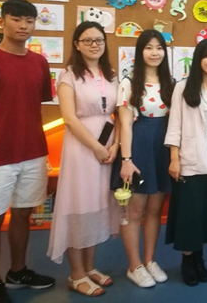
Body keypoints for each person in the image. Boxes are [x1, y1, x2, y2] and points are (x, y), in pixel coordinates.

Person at [0, 0, 55, 302]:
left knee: (24, 214)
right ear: (1, 22)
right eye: (16, 19)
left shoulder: (39, 63)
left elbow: (34, 103)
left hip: (33, 151)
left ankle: (18, 271)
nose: (23, 26)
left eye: (29, 21)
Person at [47, 21, 120, 296]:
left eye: (99, 40)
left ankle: (89, 267)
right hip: (82, 147)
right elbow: (69, 118)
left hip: (108, 145)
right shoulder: (68, 75)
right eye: (87, 40)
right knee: (79, 205)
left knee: (98, 205)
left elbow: (119, 112)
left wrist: (115, 145)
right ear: (77, 44)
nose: (94, 45)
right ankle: (76, 274)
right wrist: (96, 148)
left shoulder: (111, 74)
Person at [164, 39, 207, 286]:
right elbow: (175, 125)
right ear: (198, 59)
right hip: (191, 154)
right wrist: (174, 158)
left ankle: (199, 258)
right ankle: (187, 260)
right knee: (190, 210)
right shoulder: (183, 88)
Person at [118, 30, 174, 287]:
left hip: (163, 150)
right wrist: (126, 159)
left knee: (154, 209)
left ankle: (150, 260)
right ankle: (134, 265)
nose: (154, 53)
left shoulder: (171, 83)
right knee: (134, 210)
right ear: (140, 52)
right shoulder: (129, 83)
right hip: (139, 149)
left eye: (159, 48)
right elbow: (125, 125)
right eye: (149, 47)